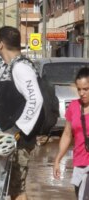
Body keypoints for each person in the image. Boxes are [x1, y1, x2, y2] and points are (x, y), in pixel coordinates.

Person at [0, 26, 43, 200]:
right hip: (4, 140)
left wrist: (16, 130)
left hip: (17, 141)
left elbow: (36, 99)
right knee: (7, 189)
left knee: (16, 189)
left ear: (0, 44)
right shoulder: (8, 67)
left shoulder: (21, 68)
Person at [53, 67, 89, 199]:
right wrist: (57, 159)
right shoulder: (73, 107)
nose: (82, 93)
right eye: (79, 89)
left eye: (86, 89)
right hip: (79, 165)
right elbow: (67, 134)